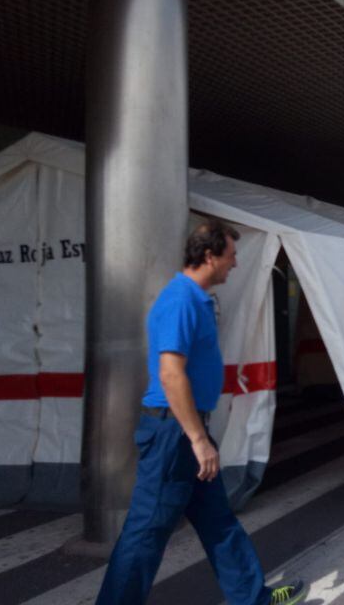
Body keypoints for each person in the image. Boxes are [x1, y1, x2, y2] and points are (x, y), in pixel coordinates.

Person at [97, 219, 306, 605]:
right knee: (144, 534)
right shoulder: (180, 299)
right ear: (209, 256)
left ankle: (252, 598)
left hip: (185, 432)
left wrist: (199, 436)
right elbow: (170, 373)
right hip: (173, 435)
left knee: (218, 522)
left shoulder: (196, 299)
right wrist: (197, 439)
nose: (235, 264)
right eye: (231, 255)